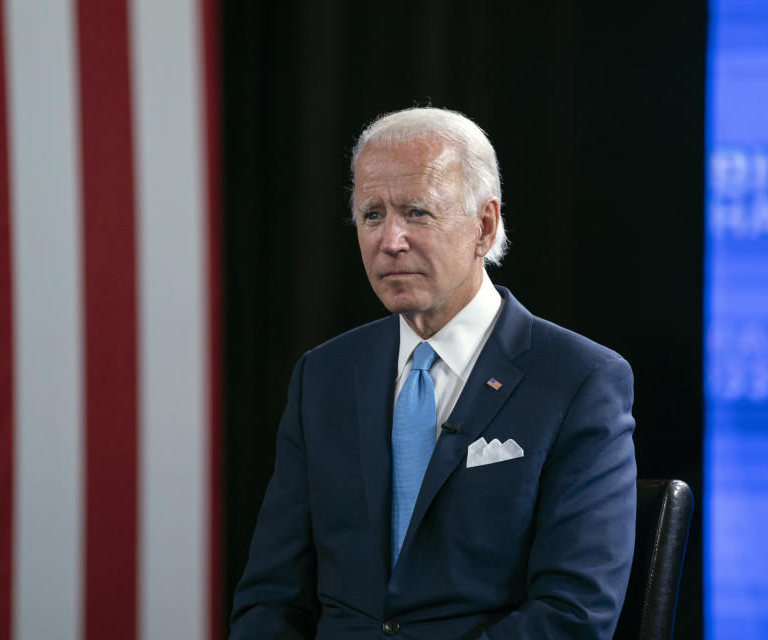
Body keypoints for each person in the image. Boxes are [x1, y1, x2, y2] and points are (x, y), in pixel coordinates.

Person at [229, 107, 636, 639]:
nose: (389, 240)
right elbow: (270, 599)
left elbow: (573, 614)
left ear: (484, 227)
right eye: (372, 214)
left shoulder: (578, 380)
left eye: (417, 212)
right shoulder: (323, 377)